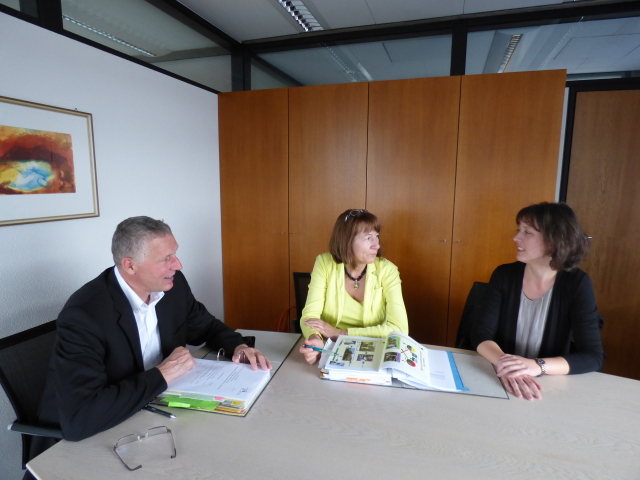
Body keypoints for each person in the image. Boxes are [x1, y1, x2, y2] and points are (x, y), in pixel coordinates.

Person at [33, 216, 271, 450]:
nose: (178, 265)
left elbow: (206, 326)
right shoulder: (84, 315)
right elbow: (81, 417)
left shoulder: (171, 286)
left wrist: (238, 346)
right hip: (90, 437)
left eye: (175, 254)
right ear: (130, 265)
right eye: (166, 259)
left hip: (154, 413)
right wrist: (162, 374)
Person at [471, 202, 604, 401]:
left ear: (554, 241)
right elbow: (480, 333)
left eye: (528, 232)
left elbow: (593, 357)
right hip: (497, 377)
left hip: (547, 387)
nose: (516, 238)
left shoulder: (576, 283)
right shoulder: (504, 274)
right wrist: (507, 365)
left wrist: (536, 365)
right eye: (519, 230)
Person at [299, 209, 409, 365]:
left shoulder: (388, 270)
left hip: (374, 353)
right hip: (331, 350)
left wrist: (339, 333)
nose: (376, 245)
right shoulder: (324, 263)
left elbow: (399, 329)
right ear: (346, 241)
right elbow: (310, 316)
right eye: (368, 238)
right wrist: (315, 339)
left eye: (377, 236)